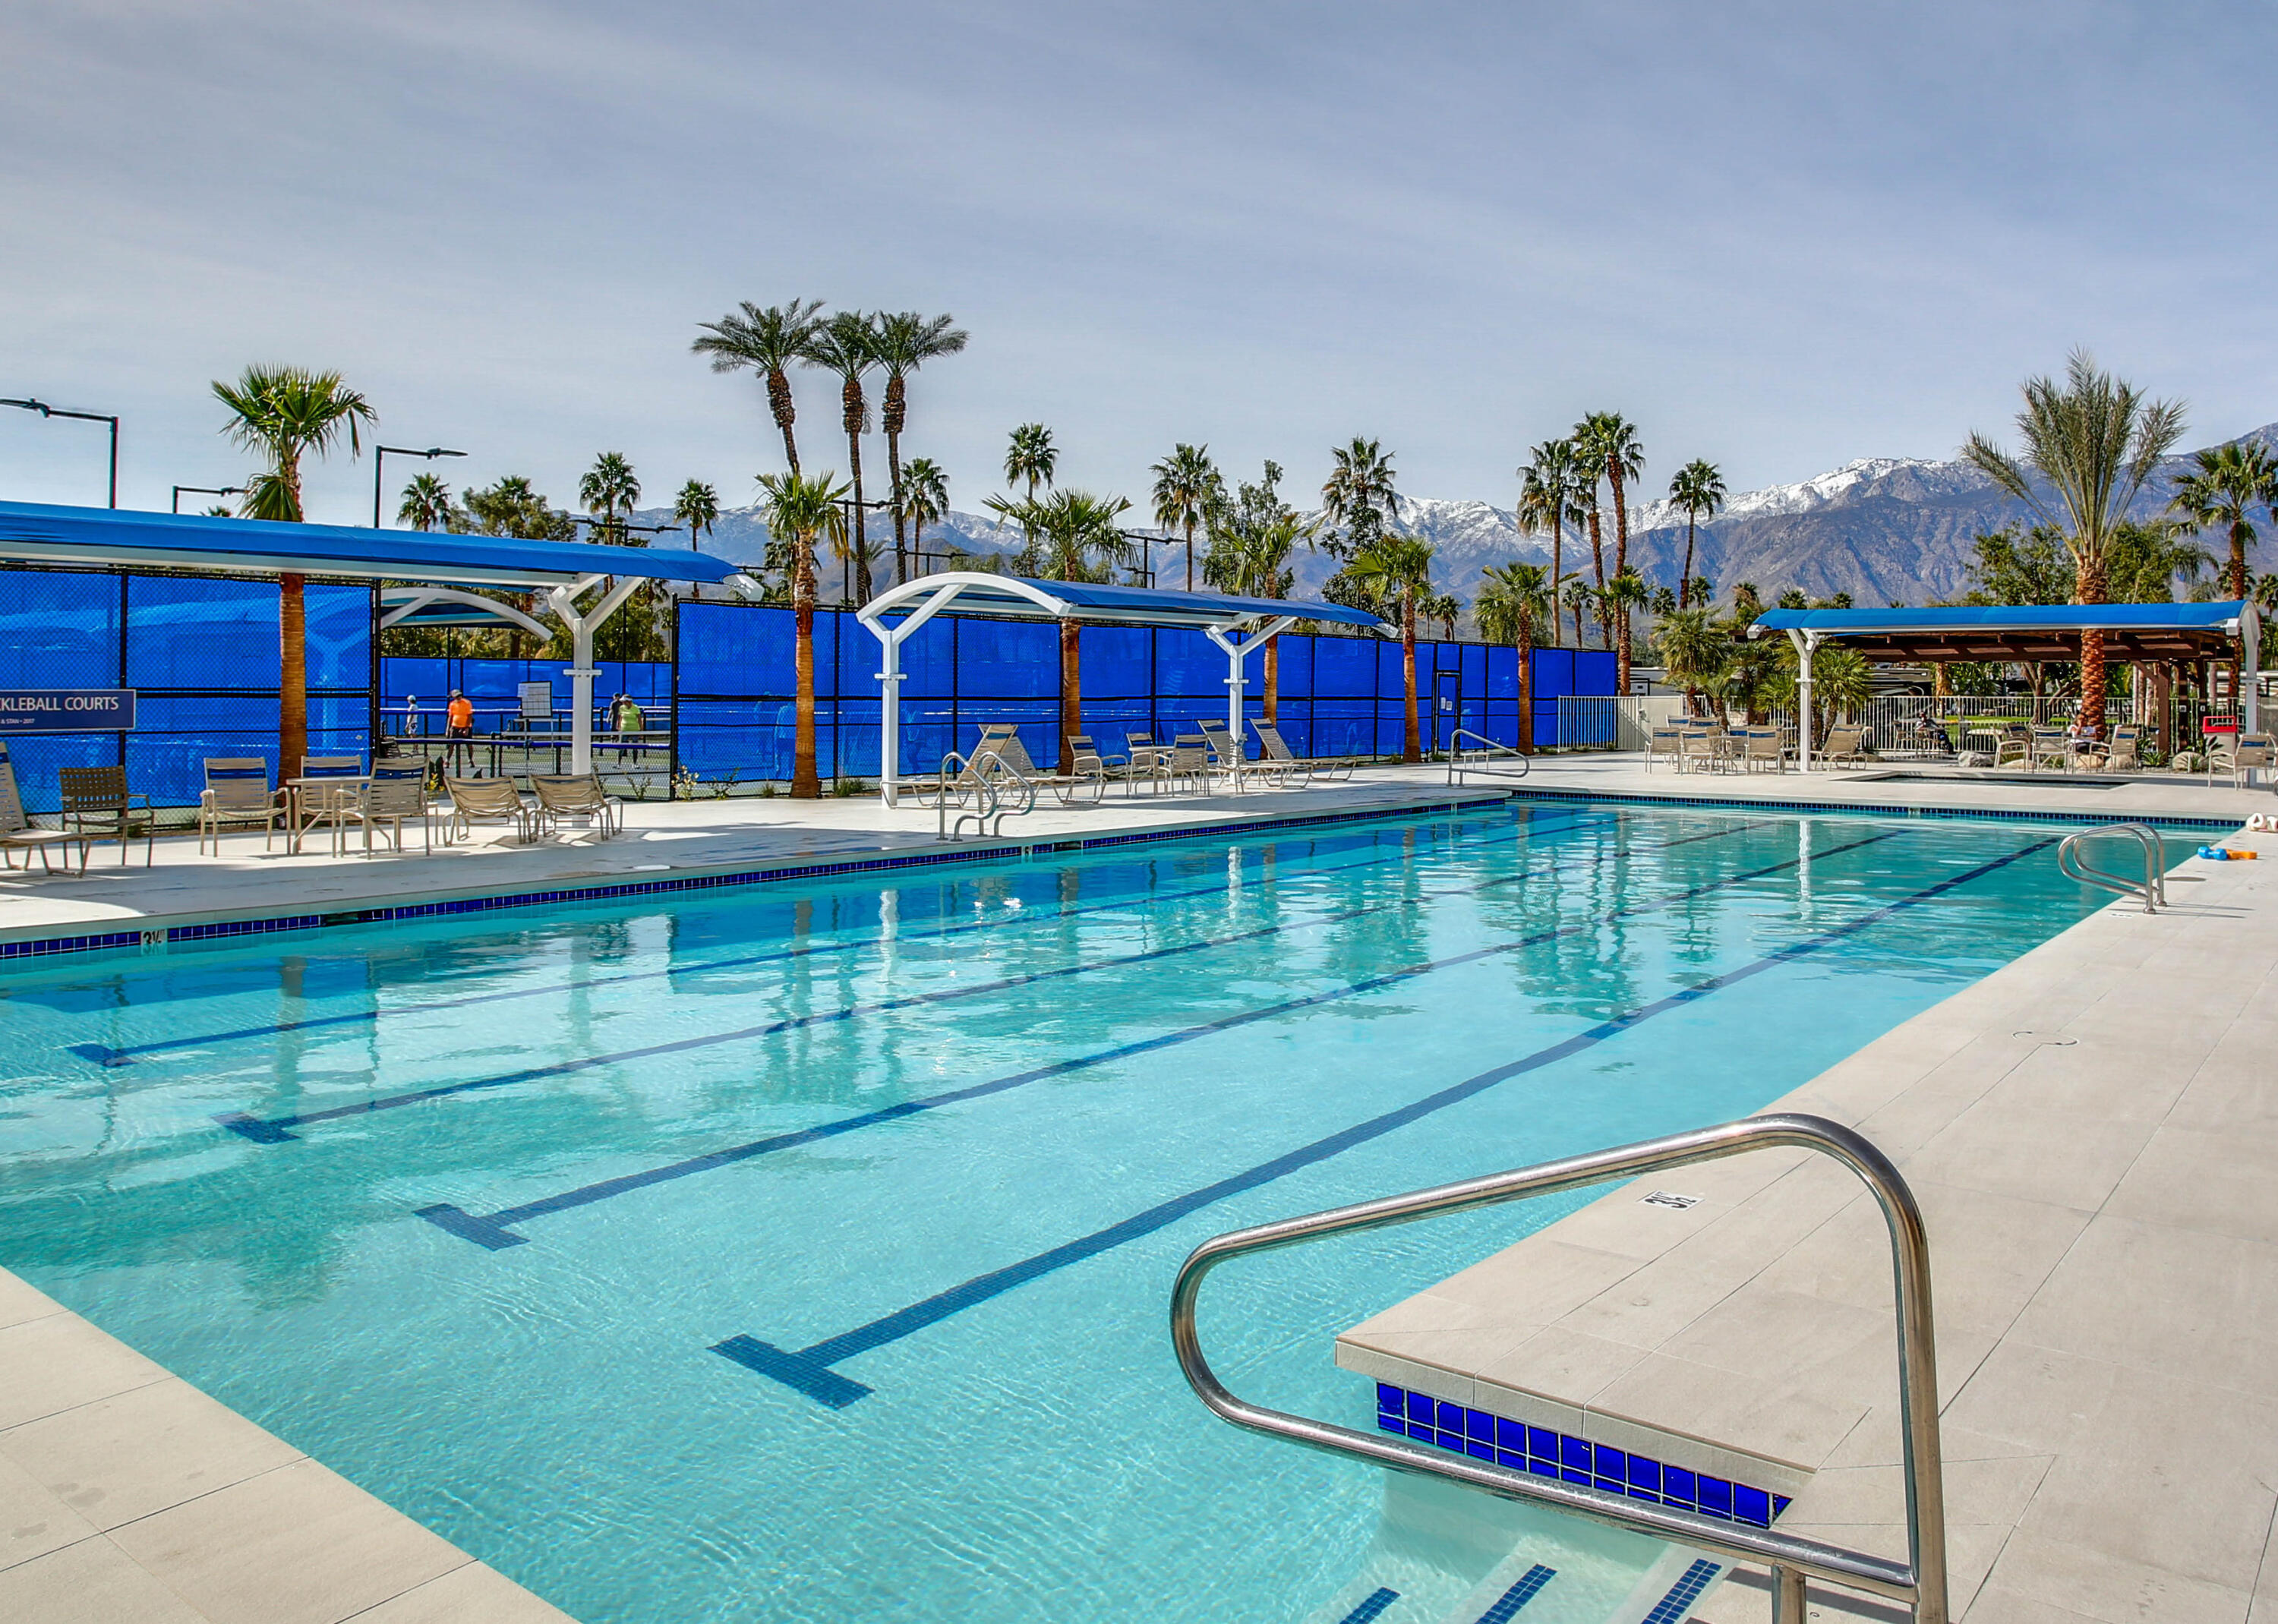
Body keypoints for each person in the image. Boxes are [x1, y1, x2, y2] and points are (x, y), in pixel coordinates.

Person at [445, 689, 476, 774]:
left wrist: (467, 728)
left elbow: (469, 716)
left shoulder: (467, 703)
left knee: (469, 745)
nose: (458, 697)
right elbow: (450, 717)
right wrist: (448, 729)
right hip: (455, 726)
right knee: (451, 745)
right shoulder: (452, 704)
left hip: (465, 727)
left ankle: (470, 760)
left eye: (459, 696)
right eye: (456, 696)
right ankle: (447, 760)